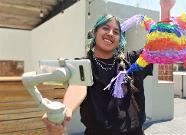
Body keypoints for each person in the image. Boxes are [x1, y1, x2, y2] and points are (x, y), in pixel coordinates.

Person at [42, 0, 175, 135]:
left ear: (119, 40)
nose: (110, 33)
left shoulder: (133, 61)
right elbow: (77, 87)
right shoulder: (84, 65)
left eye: (116, 32)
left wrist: (165, 9)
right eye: (105, 28)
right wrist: (65, 110)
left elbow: (161, 43)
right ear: (95, 33)